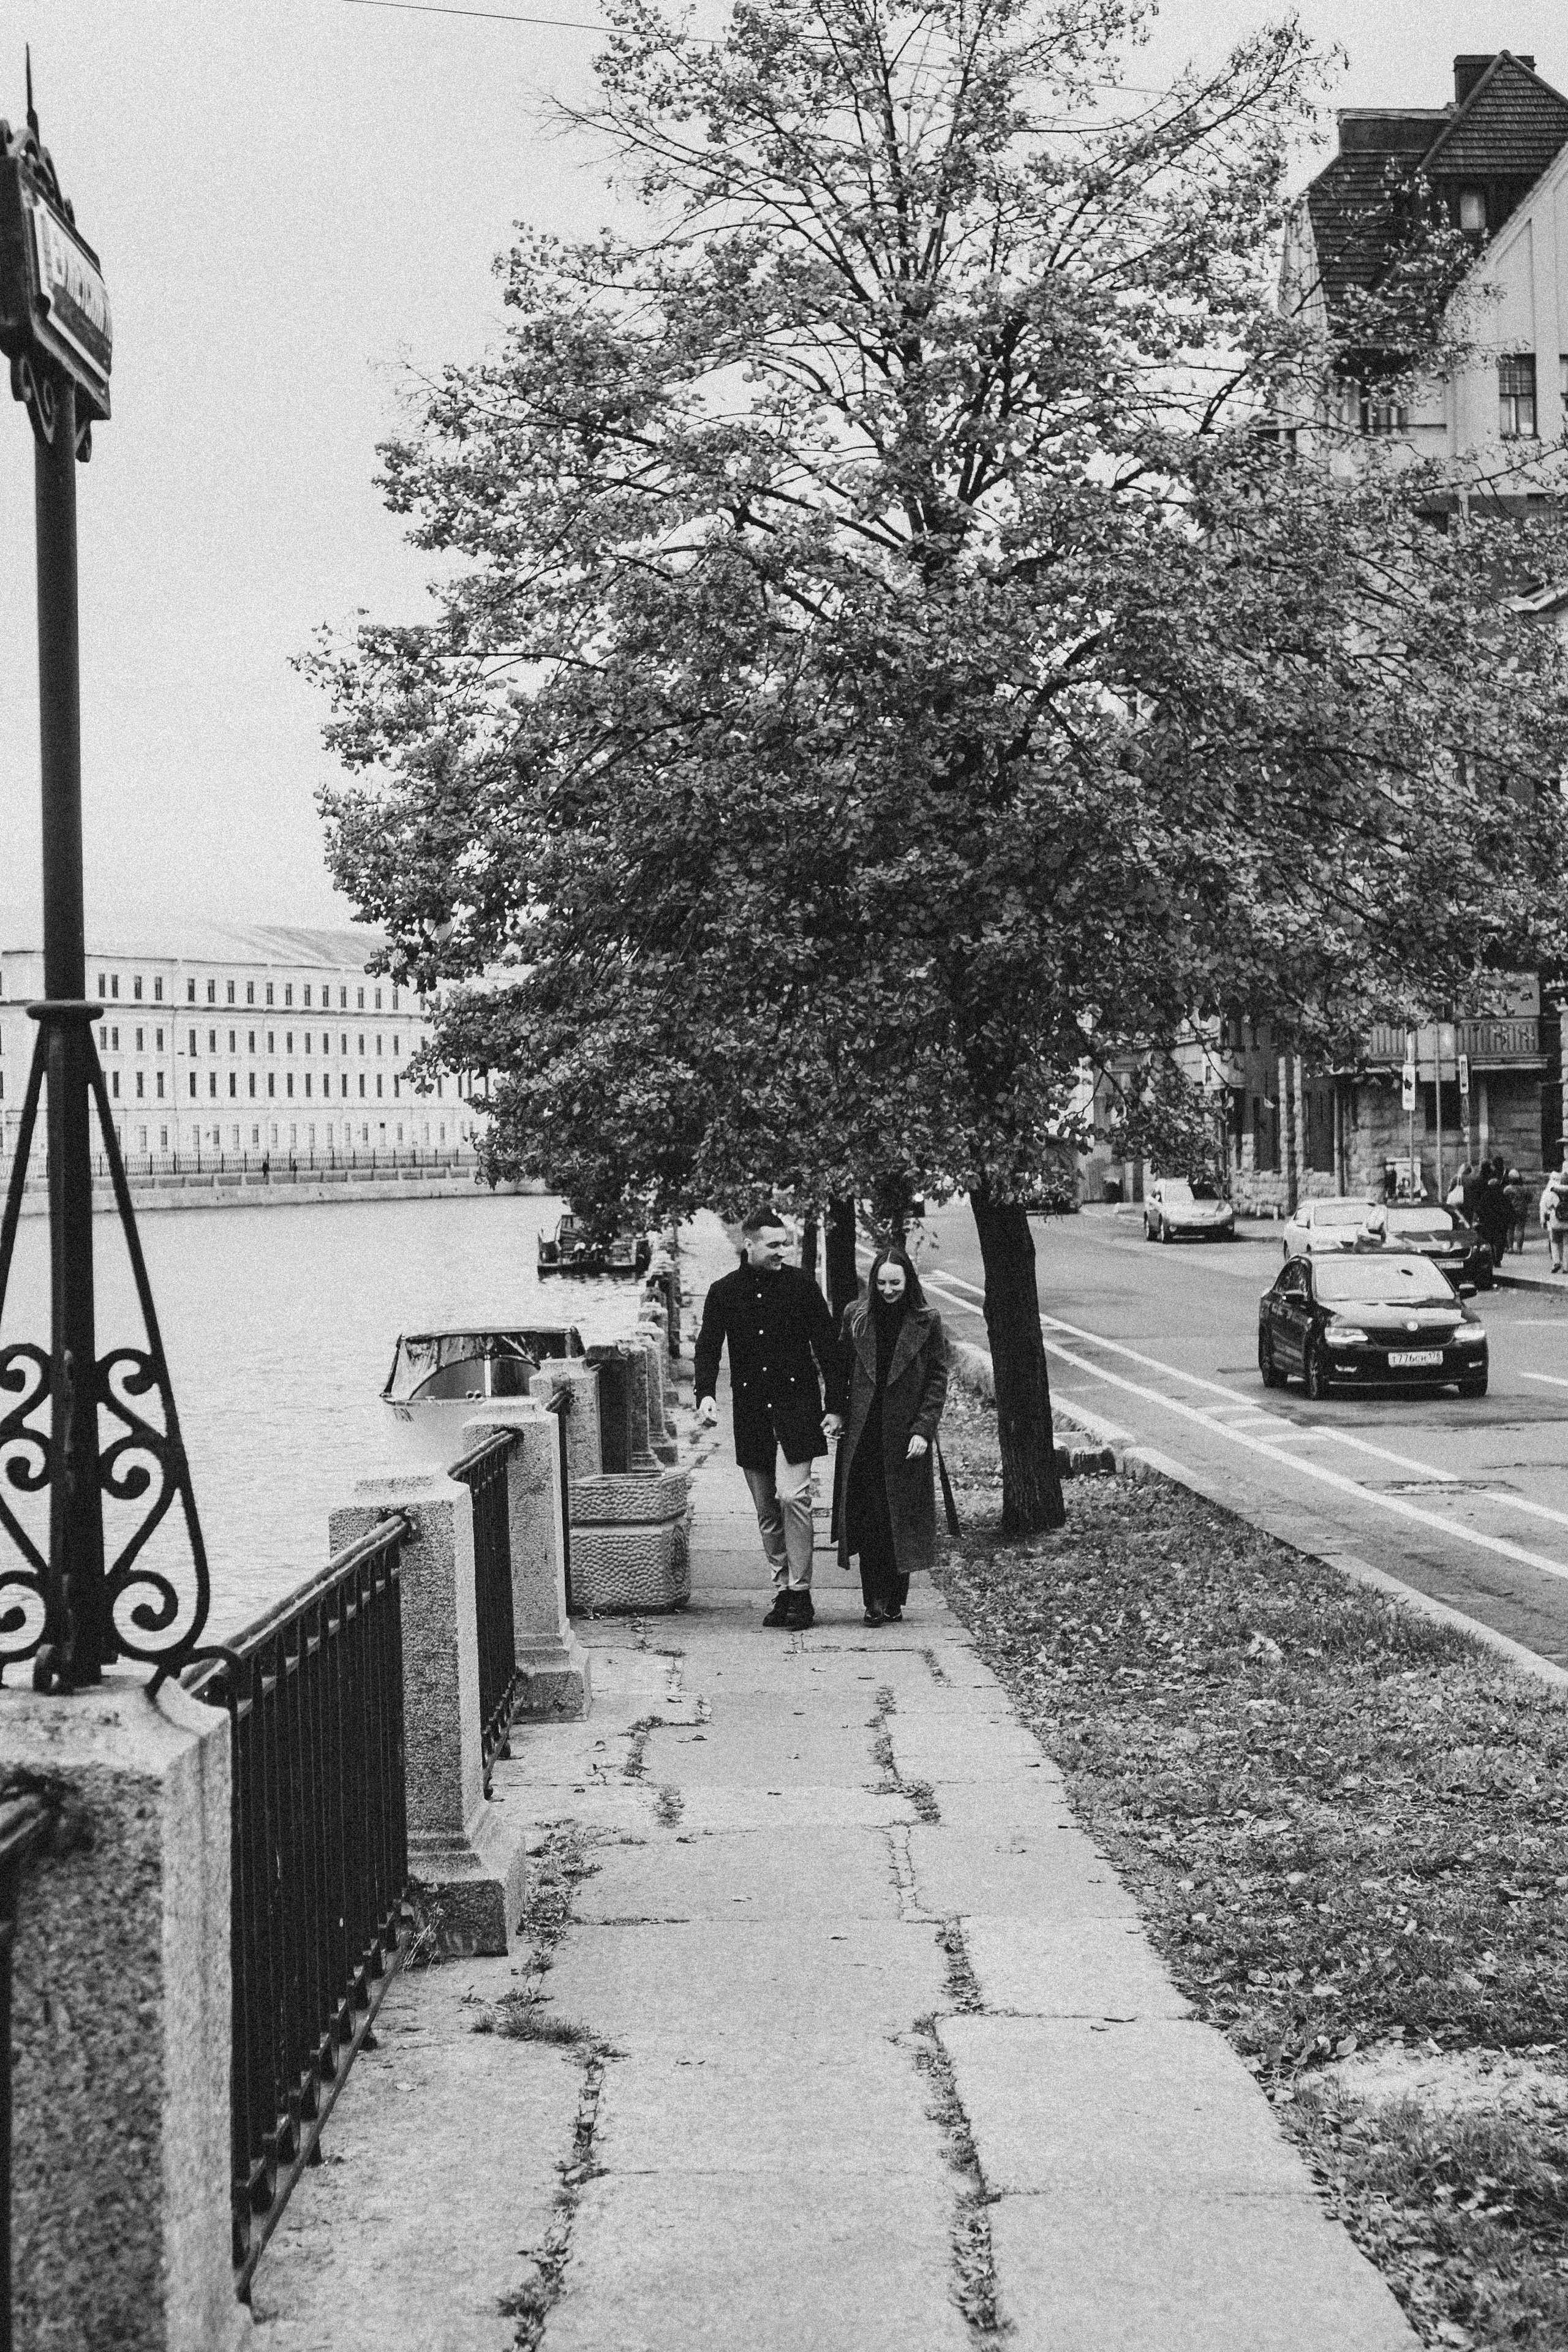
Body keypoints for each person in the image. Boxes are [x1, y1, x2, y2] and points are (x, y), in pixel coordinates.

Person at [694, 1208, 843, 1630]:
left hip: (798, 1407)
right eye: (774, 1245)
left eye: (785, 1244)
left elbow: (828, 1349)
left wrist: (835, 1405)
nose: (782, 1252)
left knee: (793, 1496)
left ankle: (802, 1592)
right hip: (752, 1410)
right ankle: (782, 1590)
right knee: (766, 1509)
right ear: (750, 1244)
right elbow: (707, 1347)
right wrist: (705, 1395)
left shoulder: (802, 1288)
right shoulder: (724, 1292)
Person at [836, 1246, 949, 1626]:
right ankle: (874, 1601)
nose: (888, 1290)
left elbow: (937, 1378)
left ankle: (895, 1597)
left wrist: (924, 1430)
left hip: (905, 1435)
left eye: (895, 1283)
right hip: (864, 1432)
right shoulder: (857, 1317)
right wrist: (835, 1411)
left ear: (908, 1282)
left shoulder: (927, 1321)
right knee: (869, 1518)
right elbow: (840, 1368)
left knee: (900, 1516)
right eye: (881, 1283)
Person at [1473, 1163, 1512, 1274]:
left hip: (1488, 1223)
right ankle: (1498, 1259)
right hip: (1501, 1223)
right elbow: (1509, 1208)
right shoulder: (1502, 1196)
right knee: (1500, 1241)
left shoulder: (1486, 1196)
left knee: (1490, 1241)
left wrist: (1480, 1218)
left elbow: (1480, 1209)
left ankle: (1494, 1258)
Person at [1544, 1161, 1568, 1275]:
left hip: (1556, 1220)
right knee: (1567, 1244)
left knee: (1555, 1242)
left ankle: (1557, 1262)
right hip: (1567, 1221)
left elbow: (1548, 1205)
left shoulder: (1553, 1191)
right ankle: (1566, 1267)